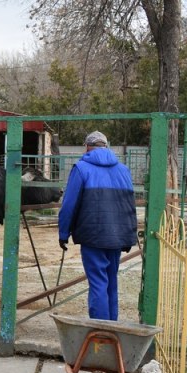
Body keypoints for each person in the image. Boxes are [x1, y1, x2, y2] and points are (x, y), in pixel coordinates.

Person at [58, 131, 137, 321]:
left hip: (93, 235)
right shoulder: (123, 170)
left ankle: (100, 330)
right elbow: (130, 204)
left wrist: (63, 232)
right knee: (111, 283)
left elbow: (70, 204)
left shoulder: (81, 168)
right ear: (106, 146)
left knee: (98, 283)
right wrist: (128, 235)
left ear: (87, 147)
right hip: (117, 237)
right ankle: (111, 328)